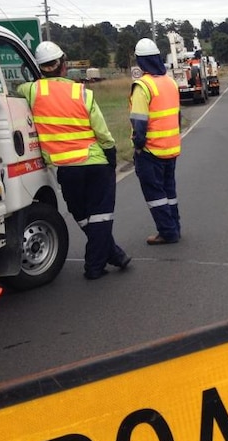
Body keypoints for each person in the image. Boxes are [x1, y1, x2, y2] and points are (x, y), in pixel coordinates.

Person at [19, 41, 131, 280]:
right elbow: (102, 131)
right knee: (100, 216)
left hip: (67, 169)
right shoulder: (81, 92)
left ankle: (114, 254)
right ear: (63, 65)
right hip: (95, 162)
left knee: (82, 216)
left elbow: (14, 94)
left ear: (39, 68)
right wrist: (111, 153)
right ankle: (95, 265)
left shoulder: (31, 91)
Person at [130, 38, 182, 245]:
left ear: (141, 62)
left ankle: (167, 232)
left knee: (155, 194)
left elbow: (139, 123)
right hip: (171, 147)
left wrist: (138, 146)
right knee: (169, 191)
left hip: (151, 151)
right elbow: (177, 116)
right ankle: (175, 227)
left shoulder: (143, 86)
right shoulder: (170, 82)